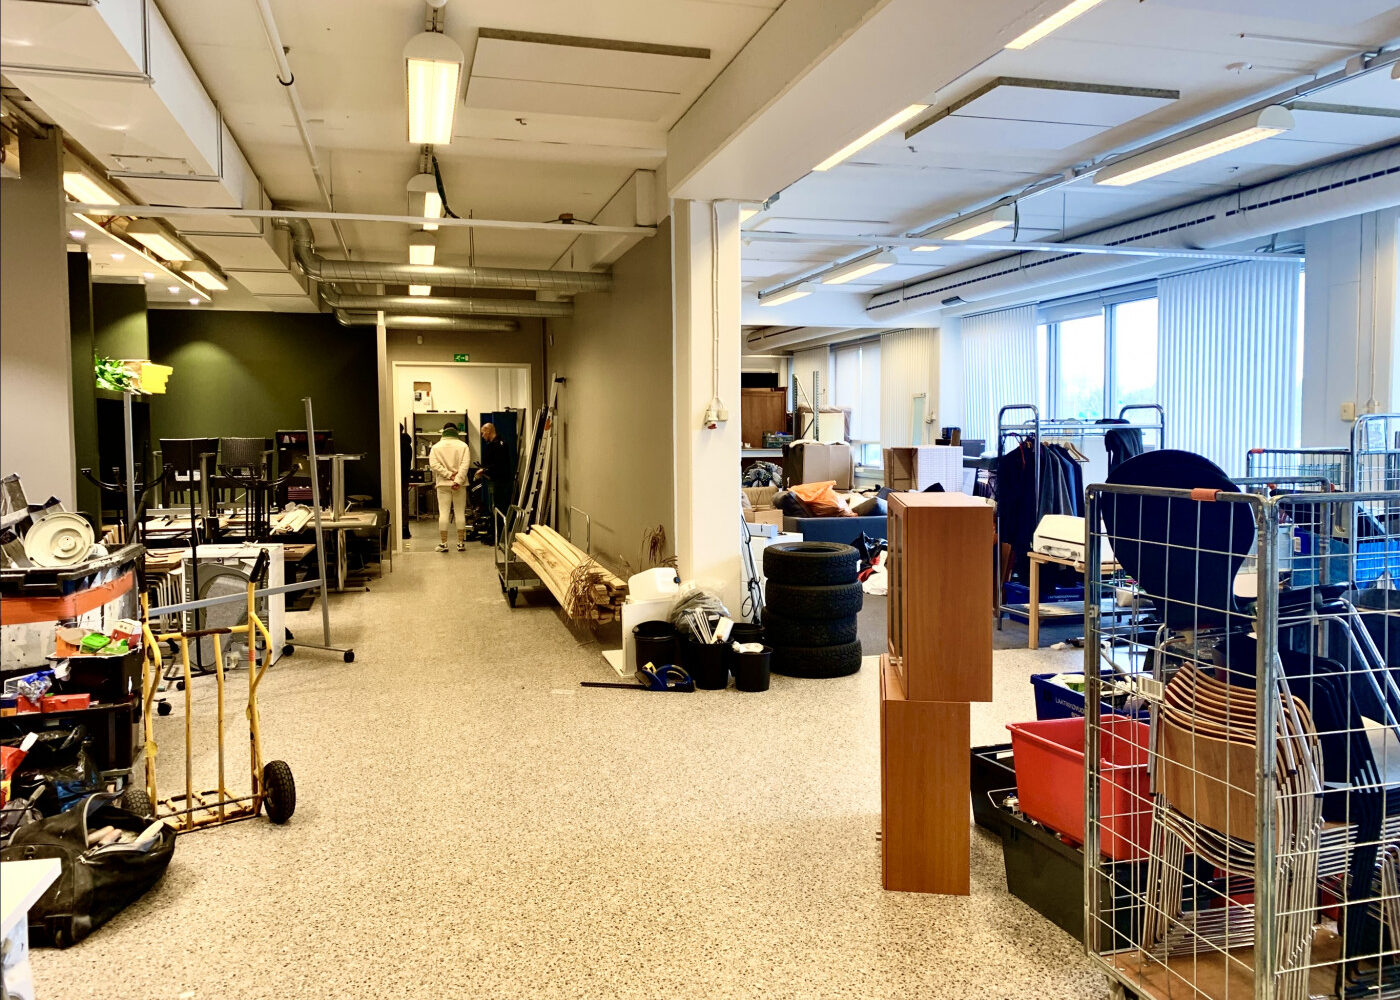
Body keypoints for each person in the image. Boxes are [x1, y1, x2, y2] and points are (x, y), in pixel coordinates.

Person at [428, 422, 469, 552]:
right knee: (460, 513)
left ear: (443, 431)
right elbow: (465, 465)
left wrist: (448, 475)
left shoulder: (436, 447)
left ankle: (443, 543)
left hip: (443, 484)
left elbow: (434, 465)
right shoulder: (463, 446)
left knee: (443, 513)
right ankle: (460, 543)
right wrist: (457, 480)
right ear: (456, 431)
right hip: (460, 485)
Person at [475, 422, 511, 543]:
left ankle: (498, 536)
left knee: (498, 508)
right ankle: (493, 534)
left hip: (499, 482)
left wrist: (485, 470)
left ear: (488, 431)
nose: (482, 436)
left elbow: (500, 465)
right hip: (494, 480)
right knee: (493, 507)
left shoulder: (499, 445)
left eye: (483, 433)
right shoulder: (494, 444)